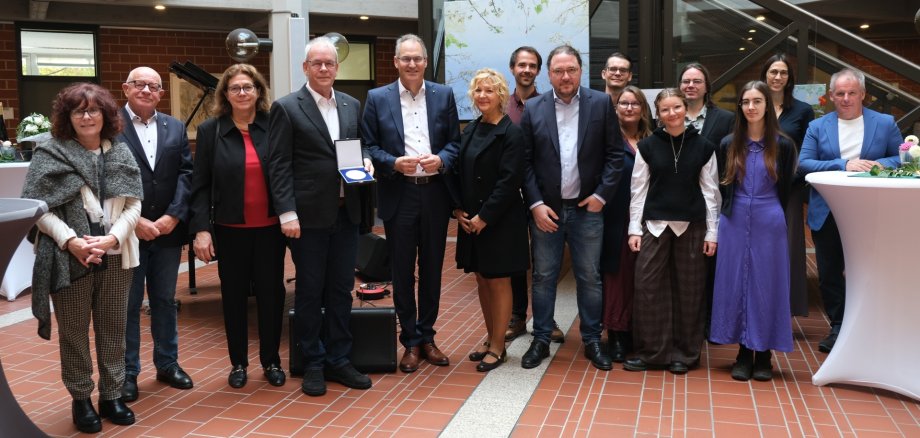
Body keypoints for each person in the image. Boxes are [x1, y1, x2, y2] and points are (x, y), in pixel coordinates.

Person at [23, 82, 143, 433]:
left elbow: (134, 204)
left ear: (105, 115)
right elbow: (38, 209)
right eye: (78, 111)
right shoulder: (50, 153)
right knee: (74, 332)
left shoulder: (120, 151)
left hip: (116, 253)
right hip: (69, 257)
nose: (87, 117)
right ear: (67, 116)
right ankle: (81, 398)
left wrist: (113, 237)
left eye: (93, 110)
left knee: (113, 328)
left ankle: (112, 395)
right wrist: (71, 241)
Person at [269, 37, 375, 396]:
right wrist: (287, 213)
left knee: (342, 290)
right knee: (310, 291)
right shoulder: (286, 107)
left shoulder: (350, 104)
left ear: (337, 68)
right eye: (317, 63)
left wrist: (366, 161)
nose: (324, 68)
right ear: (306, 68)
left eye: (330, 63)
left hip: (346, 214)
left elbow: (356, 147)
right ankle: (313, 362)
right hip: (308, 219)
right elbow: (278, 165)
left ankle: (339, 359)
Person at [519, 44, 623, 371]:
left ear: (581, 71)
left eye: (571, 70)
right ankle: (540, 339)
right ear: (548, 74)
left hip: (587, 210)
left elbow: (615, 156)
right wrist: (535, 204)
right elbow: (524, 162)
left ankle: (592, 339)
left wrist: (601, 196)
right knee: (543, 277)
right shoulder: (533, 108)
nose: (565, 76)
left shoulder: (601, 103)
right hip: (546, 212)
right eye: (559, 71)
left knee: (589, 277)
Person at [362, 34, 460, 373]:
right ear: (396, 62)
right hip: (399, 193)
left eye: (417, 58)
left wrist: (442, 159)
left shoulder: (443, 95)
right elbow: (368, 145)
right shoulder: (377, 98)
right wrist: (392, 162)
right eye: (406, 58)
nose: (412, 64)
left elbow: (455, 143)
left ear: (425, 61)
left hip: (434, 193)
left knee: (432, 268)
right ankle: (410, 341)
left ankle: (428, 336)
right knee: (402, 271)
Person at [189, 64, 286, 389]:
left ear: (258, 91)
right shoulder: (210, 130)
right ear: (225, 95)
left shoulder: (274, 125)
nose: (242, 93)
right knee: (233, 297)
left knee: (272, 295)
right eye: (235, 88)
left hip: (271, 228)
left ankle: (271, 360)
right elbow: (200, 185)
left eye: (248, 87)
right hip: (230, 229)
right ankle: (239, 363)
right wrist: (201, 229)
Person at [799, 68, 901, 353]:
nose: (846, 98)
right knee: (830, 274)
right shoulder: (817, 126)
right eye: (840, 93)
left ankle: (869, 327)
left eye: (852, 93)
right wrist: (843, 164)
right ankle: (839, 327)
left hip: (871, 212)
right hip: (827, 212)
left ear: (863, 94)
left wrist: (879, 165)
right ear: (831, 96)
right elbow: (804, 163)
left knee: (868, 272)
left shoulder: (884, 123)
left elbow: (901, 158)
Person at [624, 88, 720, 375]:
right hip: (654, 226)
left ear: (685, 108)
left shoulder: (704, 147)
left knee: (690, 291)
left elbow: (711, 193)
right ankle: (652, 352)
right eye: (665, 109)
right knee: (647, 287)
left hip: (692, 226)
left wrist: (712, 233)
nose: (672, 113)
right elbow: (638, 191)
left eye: (677, 107)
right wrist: (634, 229)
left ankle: (685, 354)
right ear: (658, 114)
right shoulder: (647, 147)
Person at [711, 81, 798, 381]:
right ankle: (743, 353)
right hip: (734, 220)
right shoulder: (728, 143)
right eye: (745, 102)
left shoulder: (783, 145)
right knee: (735, 283)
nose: (751, 107)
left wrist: (773, 215)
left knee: (767, 284)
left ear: (767, 106)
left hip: (769, 218)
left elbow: (786, 189)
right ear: (740, 107)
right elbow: (723, 186)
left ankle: (764, 355)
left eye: (757, 101)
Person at [117, 66, 194, 402]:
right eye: (139, 84)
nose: (146, 90)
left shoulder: (175, 127)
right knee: (129, 304)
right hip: (127, 232)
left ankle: (167, 363)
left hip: (167, 231)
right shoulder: (111, 126)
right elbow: (105, 178)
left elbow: (186, 174)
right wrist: (133, 221)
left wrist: (174, 215)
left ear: (161, 93)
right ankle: (127, 372)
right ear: (126, 88)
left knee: (164, 300)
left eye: (154, 86)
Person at [452, 68, 529, 372]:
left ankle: (498, 346)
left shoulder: (512, 133)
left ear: (501, 95)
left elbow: (510, 182)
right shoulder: (471, 129)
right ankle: (490, 338)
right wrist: (458, 210)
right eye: (478, 90)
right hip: (471, 220)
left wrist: (484, 217)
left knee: (498, 280)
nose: (482, 96)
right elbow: (459, 172)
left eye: (489, 90)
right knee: (482, 278)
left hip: (499, 221)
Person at [503, 46, 564, 344]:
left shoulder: (550, 105)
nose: (526, 70)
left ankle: (545, 318)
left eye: (532, 66)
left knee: (544, 262)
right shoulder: (502, 106)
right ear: (512, 68)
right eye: (522, 65)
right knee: (515, 258)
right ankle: (517, 316)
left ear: (539, 71)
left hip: (543, 195)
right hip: (511, 196)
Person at [760, 53, 815, 317]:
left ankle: (787, 308)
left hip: (790, 189)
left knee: (789, 247)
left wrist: (787, 179)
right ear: (765, 75)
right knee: (760, 246)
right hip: (757, 187)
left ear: (790, 78)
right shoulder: (755, 105)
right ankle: (760, 304)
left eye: (783, 72)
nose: (778, 77)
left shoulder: (802, 111)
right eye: (773, 71)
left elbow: (807, 152)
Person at [602, 85, 652, 363]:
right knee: (617, 278)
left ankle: (638, 332)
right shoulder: (606, 140)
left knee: (643, 277)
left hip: (648, 220)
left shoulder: (655, 140)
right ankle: (617, 334)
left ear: (643, 109)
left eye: (635, 103)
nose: (629, 108)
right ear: (616, 108)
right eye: (624, 103)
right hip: (615, 219)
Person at [679, 63, 734, 145]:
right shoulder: (669, 116)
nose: (690, 85)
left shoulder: (726, 119)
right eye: (686, 81)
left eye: (697, 81)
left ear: (706, 87)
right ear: (680, 86)